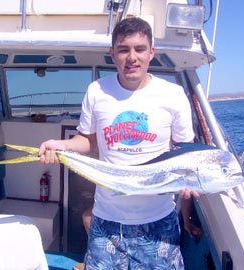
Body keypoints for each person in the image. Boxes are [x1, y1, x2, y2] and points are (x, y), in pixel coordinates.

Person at [39, 17, 198, 269]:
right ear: (112, 54)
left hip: (158, 221)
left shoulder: (173, 95)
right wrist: (62, 146)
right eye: (124, 49)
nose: (132, 57)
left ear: (151, 53)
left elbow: (185, 154)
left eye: (139, 49)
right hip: (106, 220)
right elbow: (88, 141)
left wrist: (187, 211)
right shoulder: (97, 91)